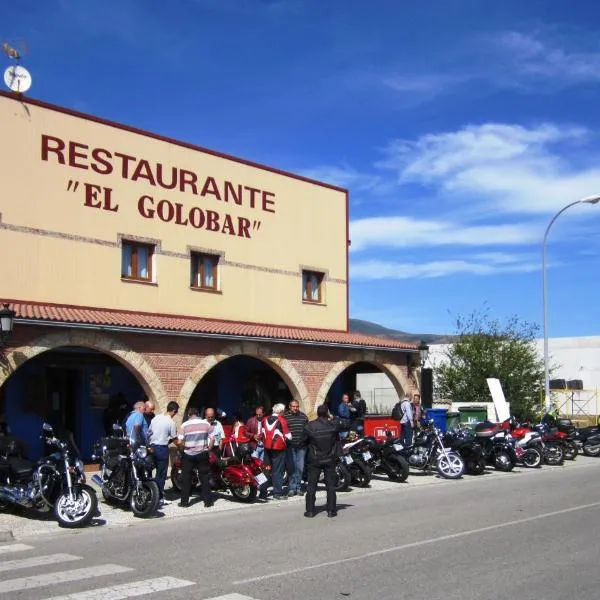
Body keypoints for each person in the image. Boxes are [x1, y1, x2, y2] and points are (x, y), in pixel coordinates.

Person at [303, 404, 349, 518]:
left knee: (312, 485)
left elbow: (302, 442)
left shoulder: (310, 426)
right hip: (329, 458)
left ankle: (310, 511)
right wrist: (333, 418)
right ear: (327, 413)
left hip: (315, 459)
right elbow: (347, 424)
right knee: (330, 485)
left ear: (318, 413)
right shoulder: (332, 425)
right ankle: (331, 510)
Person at [177, 406, 214, 508]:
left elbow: (179, 442)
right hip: (202, 453)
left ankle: (184, 502)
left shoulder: (184, 425)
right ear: (198, 414)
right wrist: (208, 449)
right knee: (204, 477)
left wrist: (182, 449)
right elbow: (213, 438)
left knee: (186, 478)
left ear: (189, 415)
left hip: (189, 454)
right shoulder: (206, 423)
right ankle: (208, 502)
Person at [148, 401, 179, 507]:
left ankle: (150, 493)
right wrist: (181, 447)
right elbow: (175, 438)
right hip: (162, 449)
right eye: (176, 412)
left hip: (152, 448)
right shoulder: (171, 422)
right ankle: (159, 497)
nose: (175, 414)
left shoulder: (155, 418)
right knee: (161, 474)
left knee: (150, 472)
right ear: (174, 410)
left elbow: (149, 432)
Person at [262, 403, 291, 500]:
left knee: (266, 469)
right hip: (279, 449)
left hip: (267, 448)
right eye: (284, 411)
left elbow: (261, 433)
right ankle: (277, 493)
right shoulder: (282, 420)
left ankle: (263, 492)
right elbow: (288, 436)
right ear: (281, 412)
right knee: (278, 470)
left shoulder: (264, 419)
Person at [284, 399, 308, 497]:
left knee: (300, 468)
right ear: (289, 407)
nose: (295, 408)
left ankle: (298, 487)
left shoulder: (303, 417)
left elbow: (307, 430)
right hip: (290, 447)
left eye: (297, 406)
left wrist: (304, 440)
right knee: (292, 468)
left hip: (301, 447)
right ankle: (292, 488)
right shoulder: (285, 417)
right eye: (293, 406)